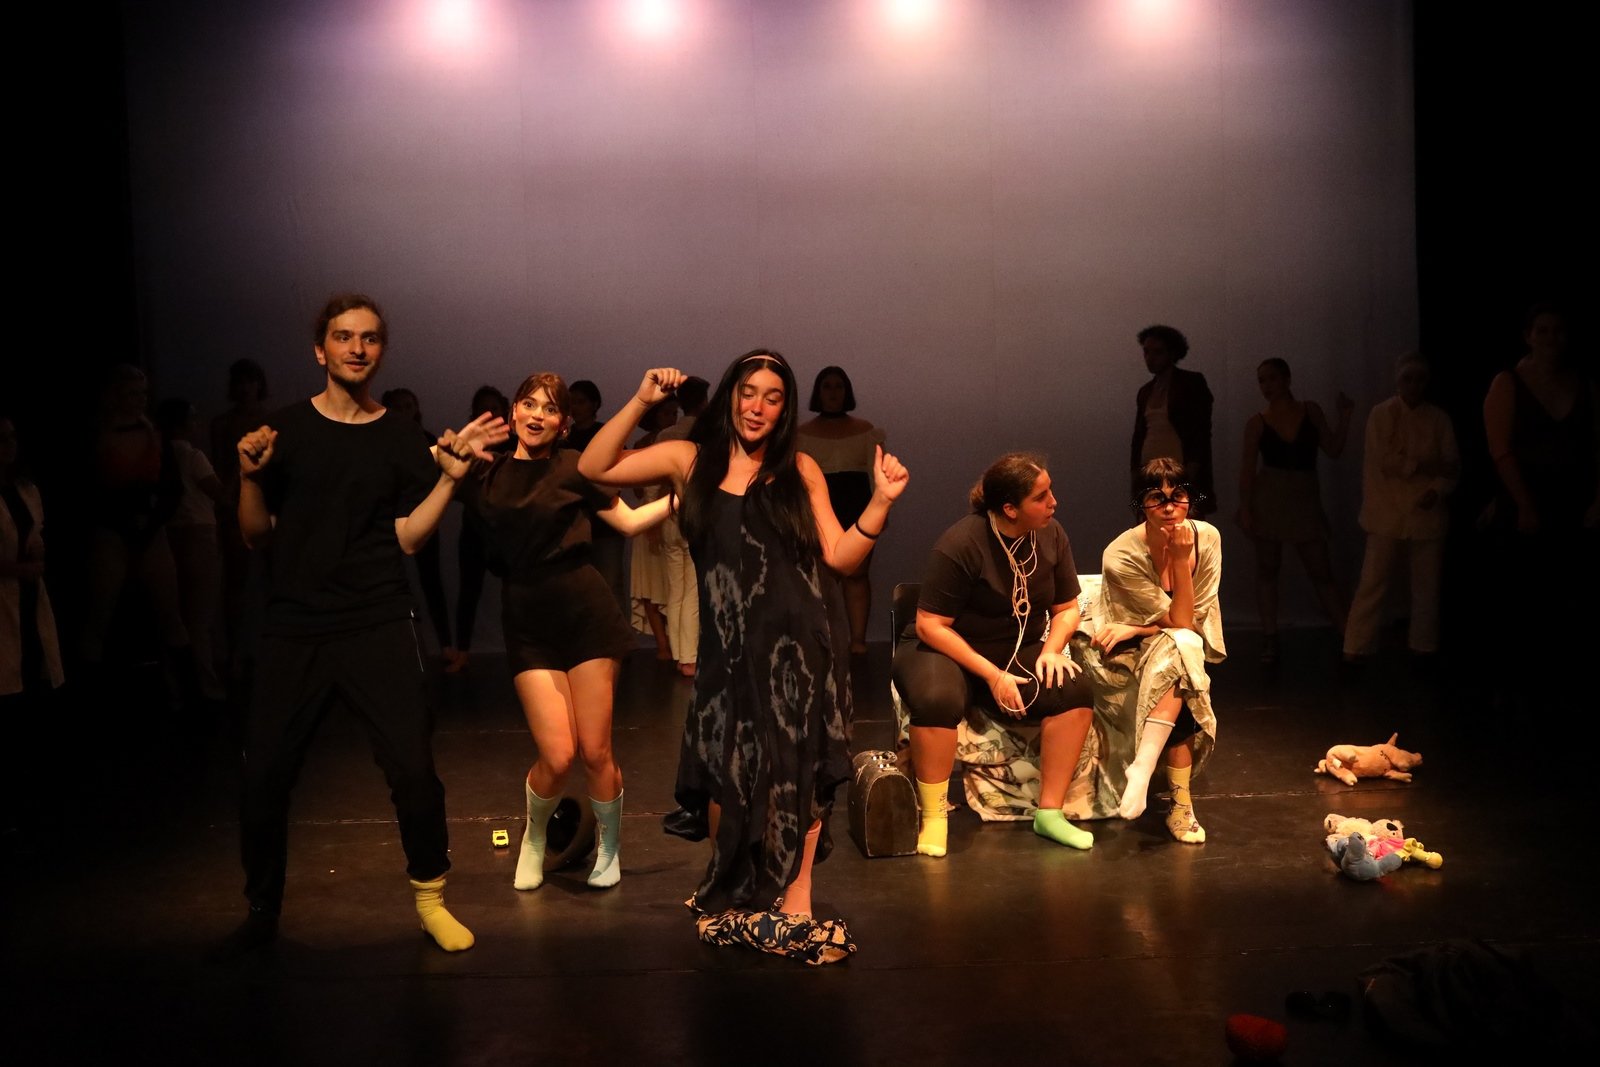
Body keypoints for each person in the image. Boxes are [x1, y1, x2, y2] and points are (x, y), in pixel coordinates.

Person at [578, 352, 908, 964]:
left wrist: (881, 502)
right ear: (730, 394)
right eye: (748, 392)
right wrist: (643, 400)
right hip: (727, 653)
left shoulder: (799, 467)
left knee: (802, 773)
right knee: (725, 772)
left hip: (801, 648)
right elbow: (594, 465)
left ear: (786, 408)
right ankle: (734, 886)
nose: (757, 407)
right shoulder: (688, 460)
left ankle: (797, 902)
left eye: (773, 397)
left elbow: (840, 557)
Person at [212, 293, 506, 961]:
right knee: (264, 775)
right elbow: (255, 534)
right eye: (344, 337)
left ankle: (430, 901)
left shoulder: (399, 437)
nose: (356, 347)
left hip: (376, 618)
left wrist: (450, 481)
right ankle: (261, 912)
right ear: (320, 349)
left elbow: (407, 538)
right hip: (295, 625)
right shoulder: (284, 432)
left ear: (381, 350)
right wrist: (249, 478)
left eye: (369, 338)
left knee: (413, 770)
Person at [456, 372, 670, 892]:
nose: (537, 415)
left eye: (550, 409)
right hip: (527, 620)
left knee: (595, 750)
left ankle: (609, 847)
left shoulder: (574, 466)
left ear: (564, 424)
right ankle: (534, 837)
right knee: (557, 756)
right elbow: (417, 474)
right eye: (529, 404)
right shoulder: (483, 471)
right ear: (512, 412)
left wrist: (683, 500)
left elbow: (629, 522)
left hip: (585, 614)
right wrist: (453, 448)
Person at [892, 452, 1097, 856]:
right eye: (1040, 497)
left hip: (1014, 648)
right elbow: (931, 624)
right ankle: (934, 816)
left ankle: (1050, 813)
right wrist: (992, 675)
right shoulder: (961, 543)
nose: (1053, 502)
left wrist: (1052, 650)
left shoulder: (1051, 534)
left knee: (1073, 689)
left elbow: (1067, 609)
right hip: (944, 648)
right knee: (937, 698)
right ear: (1009, 509)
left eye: (1050, 491)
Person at [1092, 458, 1225, 843]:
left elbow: (1191, 619)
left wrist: (1181, 560)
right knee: (1183, 657)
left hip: (1174, 639)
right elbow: (1179, 621)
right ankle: (1180, 806)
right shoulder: (1120, 554)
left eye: (1177, 496)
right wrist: (1141, 628)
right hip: (1125, 648)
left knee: (1181, 648)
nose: (1169, 507)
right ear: (1141, 504)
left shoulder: (1208, 538)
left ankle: (1146, 769)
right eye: (1157, 498)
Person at [1343, 358, 1460, 662]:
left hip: (1425, 512)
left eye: (1420, 379)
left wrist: (1436, 489)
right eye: (1409, 379)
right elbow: (1386, 460)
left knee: (1426, 586)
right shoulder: (1382, 414)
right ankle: (1356, 645)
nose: (1414, 386)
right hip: (1387, 511)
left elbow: (1451, 466)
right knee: (1373, 582)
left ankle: (1423, 645)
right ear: (1398, 381)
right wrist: (1427, 468)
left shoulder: (1438, 419)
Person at [1236, 358, 1353, 663]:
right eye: (1262, 380)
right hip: (1270, 498)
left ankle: (1349, 634)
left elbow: (1333, 448)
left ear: (1287, 379)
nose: (1267, 386)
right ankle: (1270, 636)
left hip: (1303, 498)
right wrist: (1246, 509)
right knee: (1268, 569)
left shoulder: (1310, 411)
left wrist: (1345, 417)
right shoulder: (1257, 423)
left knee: (1320, 569)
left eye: (1272, 378)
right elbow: (1247, 471)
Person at [797, 366, 886, 655]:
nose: (833, 393)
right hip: (817, 506)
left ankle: (857, 641)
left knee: (857, 575)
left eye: (838, 386)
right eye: (827, 386)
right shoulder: (802, 434)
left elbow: (876, 475)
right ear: (817, 392)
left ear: (847, 391)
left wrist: (881, 510)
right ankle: (824, 641)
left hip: (857, 504)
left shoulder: (866, 431)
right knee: (820, 578)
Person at [154, 398, 227, 702]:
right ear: (183, 423)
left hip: (166, 537)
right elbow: (220, 495)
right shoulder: (193, 456)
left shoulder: (155, 454)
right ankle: (205, 688)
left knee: (173, 617)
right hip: (199, 535)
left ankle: (174, 688)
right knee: (199, 618)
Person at [381, 386, 456, 669]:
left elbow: (438, 483)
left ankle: (446, 645)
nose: (404, 411)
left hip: (422, 518)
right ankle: (395, 648)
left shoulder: (427, 440)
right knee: (390, 581)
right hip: (387, 521)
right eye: (398, 406)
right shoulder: (380, 440)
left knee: (431, 580)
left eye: (409, 406)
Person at [451, 384, 513, 673]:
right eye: (482, 410)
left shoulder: (516, 444)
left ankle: (522, 652)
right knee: (469, 591)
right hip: (475, 529)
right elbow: (453, 488)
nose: (489, 414)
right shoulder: (466, 446)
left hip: (507, 531)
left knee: (516, 593)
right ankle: (462, 652)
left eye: (495, 409)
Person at [654, 376, 709, 678]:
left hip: (667, 514)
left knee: (676, 589)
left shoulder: (666, 435)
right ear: (703, 401)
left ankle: (679, 653)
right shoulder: (704, 433)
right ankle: (689, 657)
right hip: (693, 515)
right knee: (692, 590)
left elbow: (653, 479)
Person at [1131, 325, 1215, 516]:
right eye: (1146, 352)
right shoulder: (1146, 391)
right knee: (1151, 523)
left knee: (1184, 522)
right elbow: (1139, 436)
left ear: (1172, 353)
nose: (1150, 358)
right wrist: (1135, 476)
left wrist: (1191, 472)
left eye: (1157, 352)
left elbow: (1200, 432)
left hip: (1180, 468)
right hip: (1150, 470)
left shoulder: (1191, 383)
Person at [628, 396, 681, 661]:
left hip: (670, 519)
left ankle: (675, 643)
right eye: (666, 414)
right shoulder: (642, 445)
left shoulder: (676, 443)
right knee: (650, 585)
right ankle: (663, 646)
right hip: (650, 518)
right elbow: (638, 489)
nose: (672, 419)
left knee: (671, 584)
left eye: (674, 413)